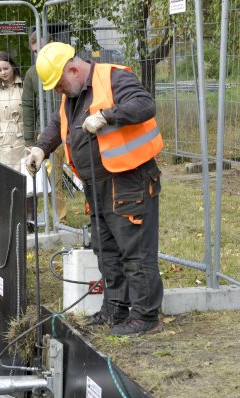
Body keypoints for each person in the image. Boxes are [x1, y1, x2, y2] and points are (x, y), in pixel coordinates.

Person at [26, 42, 164, 336]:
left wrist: (106, 116)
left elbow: (145, 105)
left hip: (129, 180)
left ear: (73, 70)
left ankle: (145, 315)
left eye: (60, 85)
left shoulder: (114, 78)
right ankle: (116, 308)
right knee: (106, 249)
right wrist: (40, 149)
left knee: (135, 249)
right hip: (98, 184)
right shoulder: (73, 95)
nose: (59, 92)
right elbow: (57, 124)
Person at [22, 31, 68, 224]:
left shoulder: (68, 66)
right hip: (49, 133)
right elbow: (28, 107)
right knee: (53, 178)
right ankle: (61, 220)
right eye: (34, 51)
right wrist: (30, 141)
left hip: (75, 129)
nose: (38, 54)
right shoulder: (32, 73)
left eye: (42, 49)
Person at [0, 52, 32, 222]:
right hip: (5, 141)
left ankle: (29, 218)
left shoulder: (25, 85)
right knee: (8, 179)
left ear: (12, 66)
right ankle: (11, 217)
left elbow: (32, 111)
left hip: (24, 138)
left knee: (28, 179)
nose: (3, 72)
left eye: (5, 68)